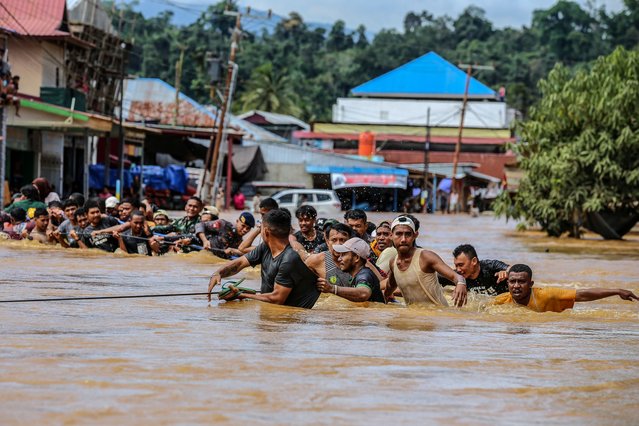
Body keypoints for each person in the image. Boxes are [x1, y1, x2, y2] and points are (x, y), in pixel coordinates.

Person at [207, 209, 320, 309]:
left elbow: (277, 299)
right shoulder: (265, 247)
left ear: (265, 231)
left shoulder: (289, 259)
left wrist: (240, 295)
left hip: (288, 319)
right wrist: (218, 273)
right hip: (272, 309)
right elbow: (239, 263)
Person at [384, 216, 468, 307]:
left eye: (408, 234)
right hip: (413, 316)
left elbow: (456, 276)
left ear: (415, 235)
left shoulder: (425, 257)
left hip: (438, 315)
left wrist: (461, 283)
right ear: (391, 236)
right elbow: (390, 287)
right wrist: (383, 300)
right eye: (399, 234)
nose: (403, 239)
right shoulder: (393, 262)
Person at [493, 264, 638, 313]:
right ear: (507, 284)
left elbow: (582, 295)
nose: (516, 286)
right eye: (512, 282)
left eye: (521, 282)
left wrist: (617, 291)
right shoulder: (501, 301)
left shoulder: (548, 294)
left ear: (531, 284)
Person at [317, 237, 385, 303]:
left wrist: (332, 289)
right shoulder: (356, 276)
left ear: (356, 258)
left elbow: (364, 293)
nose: (339, 259)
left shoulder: (364, 275)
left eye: (343, 255)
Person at [290, 222, 353, 288]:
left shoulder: (357, 259)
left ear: (350, 241)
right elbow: (295, 279)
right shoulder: (317, 260)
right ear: (328, 242)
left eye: (342, 240)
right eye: (334, 240)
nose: (338, 244)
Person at [438, 244, 510, 295]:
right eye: (456, 266)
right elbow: (432, 276)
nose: (458, 269)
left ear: (474, 261)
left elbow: (515, 270)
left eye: (461, 265)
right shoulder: (457, 276)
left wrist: (507, 272)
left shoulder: (491, 266)